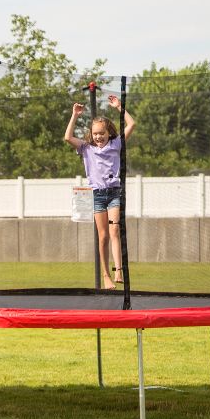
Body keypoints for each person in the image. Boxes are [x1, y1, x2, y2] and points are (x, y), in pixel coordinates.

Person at [64, 95, 136, 290]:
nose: (99, 136)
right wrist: (74, 115)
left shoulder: (116, 144)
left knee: (115, 229)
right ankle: (106, 275)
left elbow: (131, 124)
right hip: (97, 195)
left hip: (113, 192)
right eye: (95, 133)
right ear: (91, 134)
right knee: (103, 236)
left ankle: (118, 269)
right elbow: (68, 137)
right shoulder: (86, 148)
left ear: (108, 132)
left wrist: (120, 107)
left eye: (102, 133)